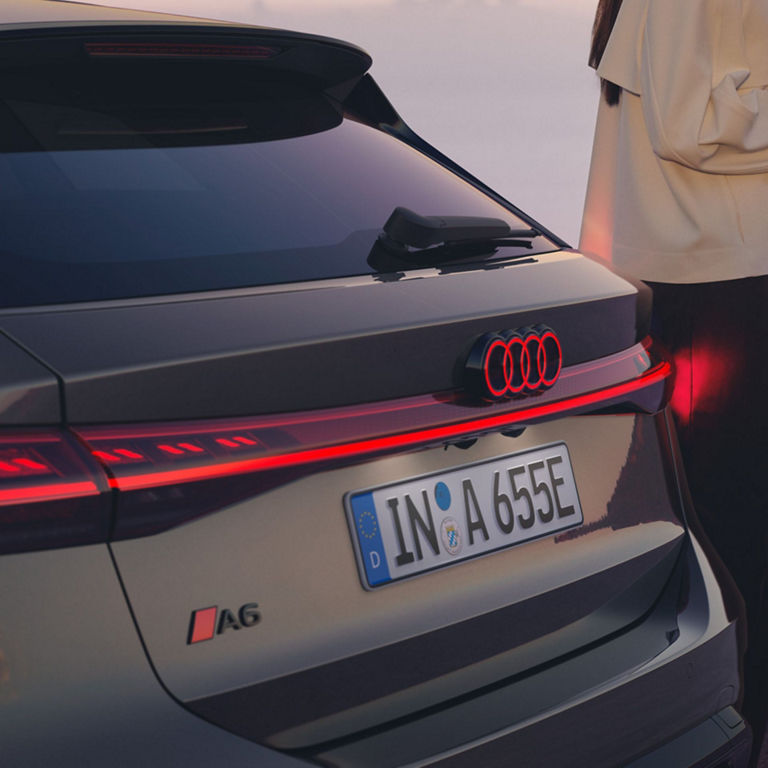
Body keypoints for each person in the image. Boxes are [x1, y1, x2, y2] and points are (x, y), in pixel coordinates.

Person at [580, 0, 768, 758]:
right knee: (732, 524)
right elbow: (694, 124)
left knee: (708, 523)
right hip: (722, 275)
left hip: (693, 274)